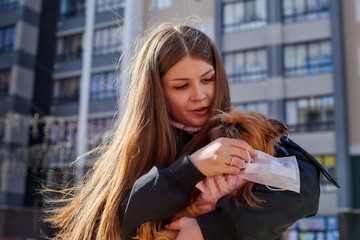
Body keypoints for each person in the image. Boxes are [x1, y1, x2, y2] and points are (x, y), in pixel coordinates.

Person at [45, 24, 336, 240]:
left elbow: (305, 187)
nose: (201, 95)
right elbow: (114, 219)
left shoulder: (242, 131)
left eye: (208, 79)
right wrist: (192, 167)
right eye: (181, 86)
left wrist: (207, 229)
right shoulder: (131, 150)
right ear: (155, 92)